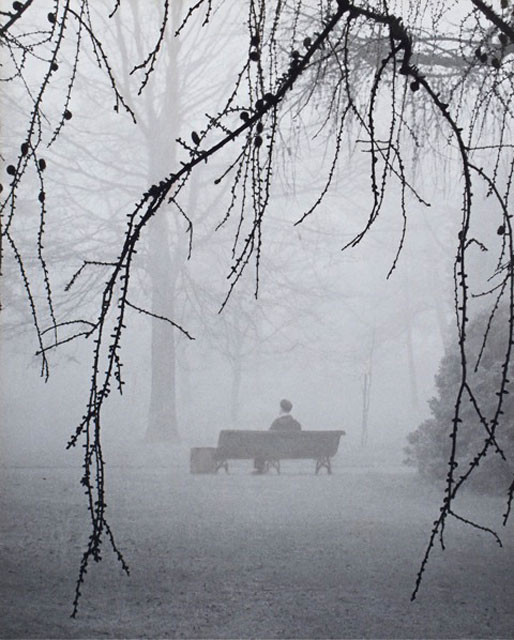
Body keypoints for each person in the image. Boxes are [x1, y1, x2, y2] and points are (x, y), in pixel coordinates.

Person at [253, 399, 301, 473]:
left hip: (276, 450)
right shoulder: (296, 424)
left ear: (281, 409)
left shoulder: (277, 422)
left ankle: (259, 469)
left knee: (260, 447)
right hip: (293, 450)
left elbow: (268, 435)